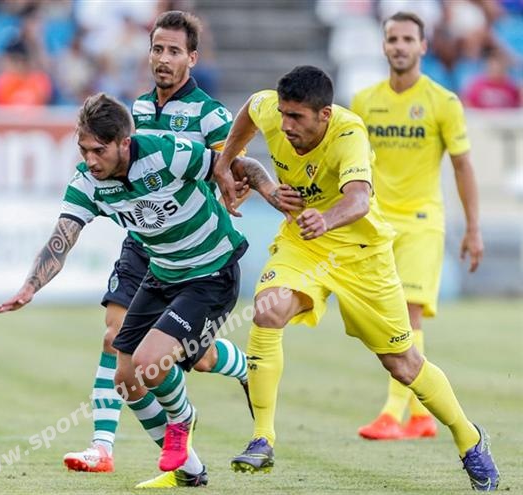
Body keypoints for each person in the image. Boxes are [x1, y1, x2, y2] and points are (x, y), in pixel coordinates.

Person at [213, 65, 500, 491]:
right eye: (284, 114)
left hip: (361, 254)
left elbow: (360, 199)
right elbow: (251, 111)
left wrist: (325, 219)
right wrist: (225, 163)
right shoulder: (272, 110)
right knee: (267, 311)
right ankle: (262, 438)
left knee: (402, 363)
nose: (286, 126)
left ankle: (469, 437)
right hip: (304, 245)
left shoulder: (349, 133)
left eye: (297, 118)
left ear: (325, 115)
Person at [0, 93, 283, 488]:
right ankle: (190, 470)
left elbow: (239, 165)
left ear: (124, 143)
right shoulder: (88, 182)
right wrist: (30, 286)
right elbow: (62, 238)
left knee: (152, 360)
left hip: (211, 272)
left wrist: (272, 194)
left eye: (99, 150)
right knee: (126, 378)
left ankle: (182, 420)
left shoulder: (168, 153)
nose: (90, 160)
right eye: (83, 150)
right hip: (161, 272)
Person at [61, 10, 251, 480]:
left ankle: (246, 367)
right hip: (142, 243)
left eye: (173, 51)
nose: (163, 59)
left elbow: (232, 168)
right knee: (116, 340)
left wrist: (234, 190)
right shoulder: (137, 111)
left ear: (192, 58)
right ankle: (107, 446)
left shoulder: (211, 114)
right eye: (157, 49)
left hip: (193, 248)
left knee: (195, 358)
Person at [351, 11, 485, 441]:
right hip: (376, 224)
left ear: (423, 46)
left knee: (406, 313)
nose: (400, 46)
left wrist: (473, 228)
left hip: (423, 221)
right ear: (384, 45)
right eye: (393, 39)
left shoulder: (443, 102)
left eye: (408, 39)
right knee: (385, 319)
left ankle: (392, 413)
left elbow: (463, 166)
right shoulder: (363, 101)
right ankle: (422, 414)